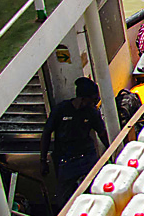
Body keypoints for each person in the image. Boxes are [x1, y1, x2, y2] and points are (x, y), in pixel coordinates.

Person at [40, 77, 109, 207]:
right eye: (93, 99)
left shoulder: (92, 113)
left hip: (87, 156)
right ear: (83, 98)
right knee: (64, 200)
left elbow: (101, 132)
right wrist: (43, 160)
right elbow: (46, 133)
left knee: (97, 190)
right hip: (66, 160)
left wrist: (111, 151)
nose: (95, 103)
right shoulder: (61, 110)